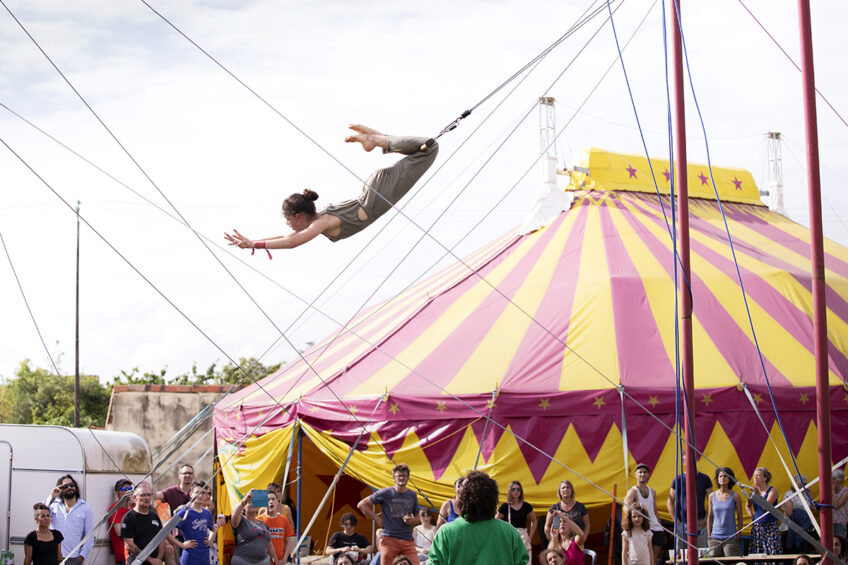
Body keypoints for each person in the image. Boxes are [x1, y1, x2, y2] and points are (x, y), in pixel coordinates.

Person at [224, 125, 439, 251]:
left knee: (430, 147)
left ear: (299, 216)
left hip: (379, 195)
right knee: (424, 150)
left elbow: (292, 241)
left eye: (287, 219)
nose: (287, 224)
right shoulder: (321, 219)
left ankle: (375, 139)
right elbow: (284, 237)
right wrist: (253, 241)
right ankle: (375, 139)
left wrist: (256, 246)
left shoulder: (322, 222)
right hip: (377, 190)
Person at [427, 470, 528, 565]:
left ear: (463, 498)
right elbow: (522, 561)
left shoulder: (446, 532)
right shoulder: (509, 532)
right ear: (493, 499)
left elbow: (434, 562)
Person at [358, 463, 421, 565]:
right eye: (399, 476)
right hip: (389, 538)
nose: (401, 478)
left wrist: (412, 520)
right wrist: (377, 519)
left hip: (407, 539)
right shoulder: (385, 493)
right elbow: (362, 505)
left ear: (408, 478)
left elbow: (418, 517)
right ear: (394, 478)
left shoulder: (412, 495)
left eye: (404, 476)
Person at [44, 474, 94, 565]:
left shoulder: (85, 508)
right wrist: (51, 497)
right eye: (65, 486)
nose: (69, 487)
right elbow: (41, 515)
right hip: (53, 556)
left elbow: (89, 535)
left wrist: (81, 557)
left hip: (73, 558)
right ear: (60, 489)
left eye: (72, 485)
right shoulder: (53, 506)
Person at [666, 454, 713, 549]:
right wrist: (676, 520)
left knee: (701, 552)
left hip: (699, 522)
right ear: (683, 462)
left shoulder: (705, 479)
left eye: (691, 459)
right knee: (681, 553)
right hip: (682, 522)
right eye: (685, 460)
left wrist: (706, 519)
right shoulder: (678, 479)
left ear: (696, 460)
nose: (688, 462)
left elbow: (711, 501)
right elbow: (670, 501)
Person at [623, 463, 665, 564]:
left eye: (645, 472)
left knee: (654, 557)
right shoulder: (633, 491)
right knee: (642, 555)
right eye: (640, 472)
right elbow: (625, 508)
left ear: (648, 474)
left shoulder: (652, 491)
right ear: (636, 474)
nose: (642, 474)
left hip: (656, 527)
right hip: (643, 527)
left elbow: (655, 510)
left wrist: (660, 526)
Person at [155, 464, 195, 565]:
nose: (187, 475)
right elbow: (156, 495)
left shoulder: (197, 492)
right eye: (185, 473)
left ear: (193, 475)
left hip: (195, 533)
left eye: (190, 473)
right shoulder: (172, 491)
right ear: (179, 476)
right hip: (179, 536)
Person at [121, 482, 166, 565]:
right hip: (137, 562)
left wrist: (159, 559)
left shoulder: (154, 516)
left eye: (149, 495)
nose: (147, 498)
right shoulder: (128, 518)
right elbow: (130, 545)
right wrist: (150, 560)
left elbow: (161, 539)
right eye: (143, 495)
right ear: (135, 497)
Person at [171, 482, 215, 565]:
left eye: (203, 493)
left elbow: (213, 529)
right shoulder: (184, 512)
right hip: (190, 558)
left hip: (204, 558)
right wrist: (182, 545)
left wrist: (210, 540)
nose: (200, 495)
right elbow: (165, 531)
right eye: (197, 492)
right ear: (191, 494)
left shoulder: (207, 513)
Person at [230, 490, 277, 565]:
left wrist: (276, 560)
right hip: (243, 561)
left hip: (263, 561)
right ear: (244, 507)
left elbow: (270, 545)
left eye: (254, 502)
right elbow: (234, 516)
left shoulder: (263, 525)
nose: (252, 503)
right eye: (249, 502)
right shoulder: (241, 520)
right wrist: (243, 501)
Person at [745, 467, 781, 559]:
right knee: (757, 551)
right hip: (758, 526)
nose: (755, 478)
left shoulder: (772, 490)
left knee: (771, 551)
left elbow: (765, 506)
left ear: (765, 478)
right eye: (754, 476)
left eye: (758, 475)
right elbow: (747, 505)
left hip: (770, 526)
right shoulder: (753, 492)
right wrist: (752, 516)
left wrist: (757, 494)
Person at [706, 467, 743, 557]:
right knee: (715, 562)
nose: (723, 478)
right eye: (720, 476)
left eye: (725, 476)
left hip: (731, 537)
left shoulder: (736, 496)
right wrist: (709, 535)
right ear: (717, 479)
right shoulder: (711, 496)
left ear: (730, 479)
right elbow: (709, 517)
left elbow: (740, 516)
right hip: (714, 537)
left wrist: (738, 534)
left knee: (732, 561)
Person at [497, 481, 537, 554]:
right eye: (513, 489)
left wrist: (530, 537)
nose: (516, 491)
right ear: (510, 491)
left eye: (518, 489)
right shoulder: (505, 506)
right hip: (509, 537)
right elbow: (496, 521)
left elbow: (534, 520)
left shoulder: (526, 506)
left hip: (523, 536)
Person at [781, 475, 815, 554]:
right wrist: (800, 515)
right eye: (802, 483)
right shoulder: (789, 494)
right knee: (794, 549)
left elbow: (811, 511)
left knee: (803, 550)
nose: (804, 485)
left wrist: (811, 498)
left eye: (805, 483)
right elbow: (789, 512)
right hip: (793, 526)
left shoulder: (806, 495)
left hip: (804, 526)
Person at [110, 479, 135, 565]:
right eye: (124, 489)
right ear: (117, 493)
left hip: (139, 551)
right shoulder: (115, 509)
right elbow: (120, 532)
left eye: (130, 488)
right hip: (124, 555)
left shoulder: (134, 507)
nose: (128, 491)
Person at [832, 469, 848, 539]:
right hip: (830, 521)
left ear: (838, 480)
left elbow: (836, 506)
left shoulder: (845, 491)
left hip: (840, 522)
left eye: (833, 479)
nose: (832, 481)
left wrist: (832, 492)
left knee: (839, 541)